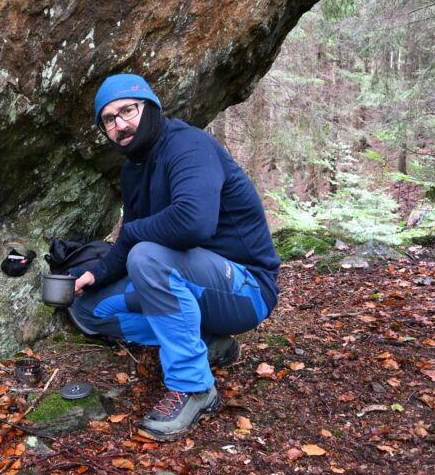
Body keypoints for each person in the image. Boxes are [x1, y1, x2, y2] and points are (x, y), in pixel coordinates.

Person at [68, 74, 281, 442]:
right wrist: (97, 274)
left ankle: (193, 386)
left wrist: (132, 237)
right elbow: (131, 236)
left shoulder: (189, 147)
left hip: (246, 290)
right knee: (89, 310)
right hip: (189, 280)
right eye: (109, 120)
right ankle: (210, 343)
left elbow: (192, 224)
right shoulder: (132, 169)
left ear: (150, 107)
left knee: (148, 258)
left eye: (127, 111)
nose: (120, 125)